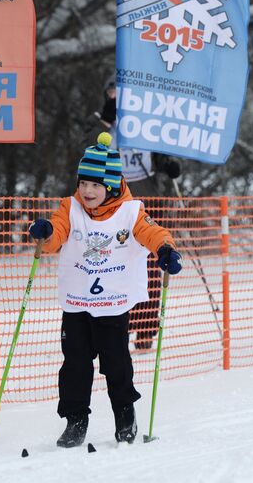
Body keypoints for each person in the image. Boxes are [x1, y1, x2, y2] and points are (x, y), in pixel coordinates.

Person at [28, 132, 183, 448]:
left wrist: (165, 248)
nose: (87, 191)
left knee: (116, 363)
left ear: (110, 186)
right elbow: (56, 234)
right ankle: (76, 421)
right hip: (77, 302)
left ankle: (125, 414)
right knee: (74, 365)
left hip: (112, 303)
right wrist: (44, 234)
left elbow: (152, 232)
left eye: (95, 185)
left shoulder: (130, 211)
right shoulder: (70, 208)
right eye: (83, 183)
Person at [97, 78, 182, 352]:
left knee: (148, 266)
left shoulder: (148, 124)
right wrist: (107, 117)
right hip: (113, 202)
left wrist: (169, 165)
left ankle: (145, 327)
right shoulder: (104, 123)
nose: (117, 99)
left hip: (148, 199)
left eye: (121, 95)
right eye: (112, 94)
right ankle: (117, 325)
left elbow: (162, 154)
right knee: (112, 263)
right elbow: (88, 152)